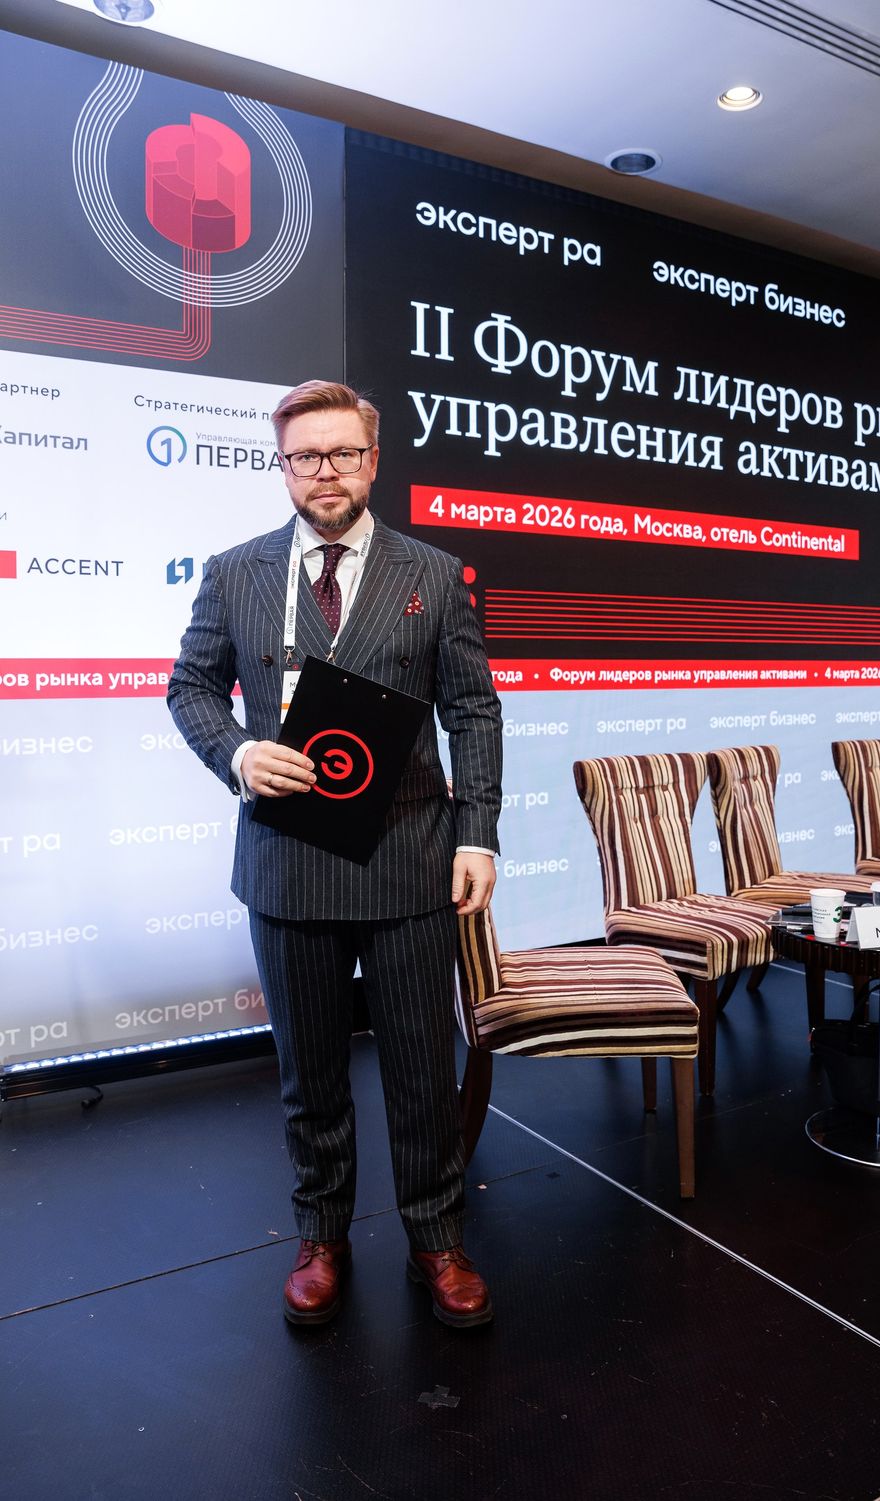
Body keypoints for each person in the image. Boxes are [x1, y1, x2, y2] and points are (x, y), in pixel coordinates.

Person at [168, 380, 502, 1328]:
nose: (326, 471)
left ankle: (436, 1237)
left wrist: (478, 833)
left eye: (343, 453)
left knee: (421, 1072)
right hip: (288, 861)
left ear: (373, 460)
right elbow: (190, 688)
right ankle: (322, 1235)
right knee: (309, 1075)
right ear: (282, 466)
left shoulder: (434, 573)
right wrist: (238, 753)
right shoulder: (235, 573)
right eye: (306, 455)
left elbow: (473, 710)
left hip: (409, 860)